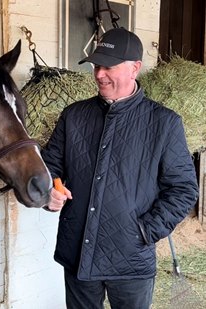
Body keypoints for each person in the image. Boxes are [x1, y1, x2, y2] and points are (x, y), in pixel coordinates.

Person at [41, 27, 198, 309]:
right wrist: (49, 190)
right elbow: (50, 165)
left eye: (108, 66)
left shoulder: (164, 123)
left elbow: (183, 189)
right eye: (96, 65)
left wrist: (145, 231)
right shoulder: (74, 116)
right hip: (78, 251)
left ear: (135, 68)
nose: (99, 74)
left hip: (131, 260)